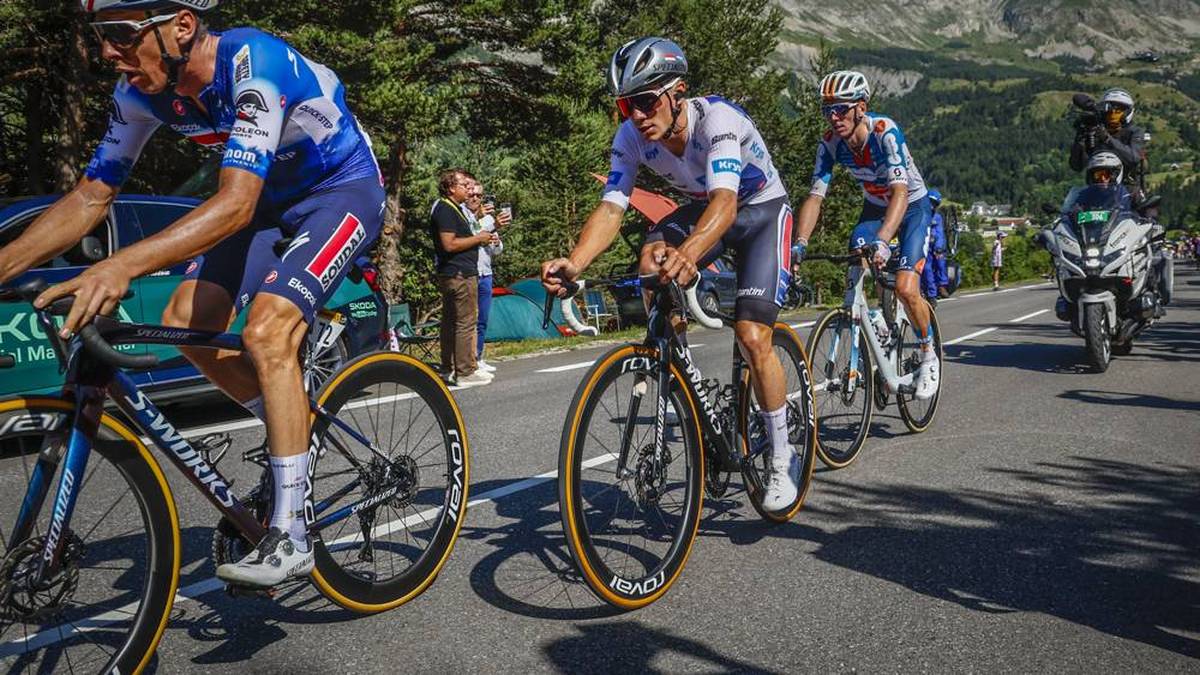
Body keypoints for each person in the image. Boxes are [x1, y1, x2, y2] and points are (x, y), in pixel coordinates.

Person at [0, 0, 385, 587]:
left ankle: (292, 534)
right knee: (187, 319)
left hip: (340, 189)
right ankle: (295, 431)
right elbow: (88, 199)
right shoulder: (139, 94)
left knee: (266, 329)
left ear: (182, 25)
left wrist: (121, 264)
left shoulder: (254, 62)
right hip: (268, 205)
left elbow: (233, 202)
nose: (108, 53)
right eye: (101, 37)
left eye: (120, 34)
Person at [541, 37, 802, 510]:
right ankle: (679, 372)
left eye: (644, 101)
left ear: (676, 92)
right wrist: (575, 263)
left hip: (760, 213)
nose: (637, 116)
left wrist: (690, 253)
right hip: (708, 211)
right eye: (626, 105)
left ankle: (782, 459)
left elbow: (725, 203)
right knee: (651, 259)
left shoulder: (719, 121)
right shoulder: (631, 137)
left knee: (752, 334)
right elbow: (612, 207)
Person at [792, 70, 939, 399]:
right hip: (875, 208)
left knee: (904, 286)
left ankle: (928, 353)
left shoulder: (884, 131)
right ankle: (875, 322)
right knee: (855, 264)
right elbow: (815, 197)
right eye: (826, 110)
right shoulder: (830, 144)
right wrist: (799, 245)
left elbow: (900, 192)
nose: (833, 118)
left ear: (861, 106)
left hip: (911, 206)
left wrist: (885, 240)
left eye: (840, 109)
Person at [431, 168, 496, 386]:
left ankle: (449, 367)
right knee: (465, 321)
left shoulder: (452, 208)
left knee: (451, 321)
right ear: (451, 188)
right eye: (464, 186)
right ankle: (466, 371)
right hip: (459, 273)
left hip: (454, 272)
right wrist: (479, 239)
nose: (468, 190)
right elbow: (449, 244)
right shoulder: (446, 209)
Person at [462, 180, 509, 373]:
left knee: (483, 319)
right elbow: (471, 237)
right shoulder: (463, 217)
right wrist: (492, 226)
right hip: (469, 274)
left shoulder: (488, 220)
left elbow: (496, 250)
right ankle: (466, 361)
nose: (475, 198)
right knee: (467, 321)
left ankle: (478, 356)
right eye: (472, 194)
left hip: (486, 273)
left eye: (478, 195)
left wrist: (496, 240)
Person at [1069, 88, 1147, 197]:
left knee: (1142, 211)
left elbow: (1134, 158)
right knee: (1075, 210)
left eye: (1118, 110)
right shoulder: (1095, 130)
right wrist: (1080, 139)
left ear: (1127, 112)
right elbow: (1076, 166)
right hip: (1097, 189)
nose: (1113, 113)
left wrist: (1107, 139)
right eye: (1110, 109)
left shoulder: (1134, 132)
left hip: (1128, 191)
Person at [920, 189, 950, 302]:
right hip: (924, 246)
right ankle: (931, 293)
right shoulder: (920, 215)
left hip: (936, 246)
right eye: (930, 202)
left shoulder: (937, 217)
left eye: (934, 203)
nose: (932, 205)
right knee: (926, 268)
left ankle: (942, 286)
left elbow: (940, 233)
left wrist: (939, 248)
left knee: (941, 264)